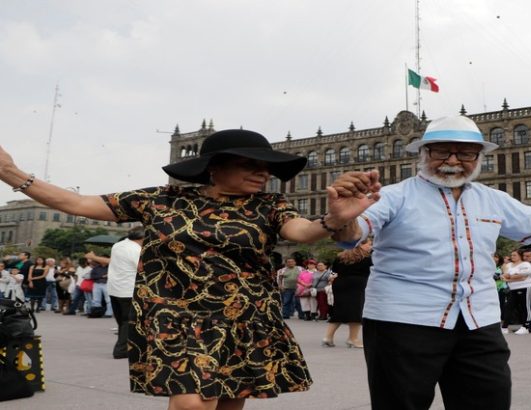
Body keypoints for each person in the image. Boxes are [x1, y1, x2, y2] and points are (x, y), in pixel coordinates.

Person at [0, 128, 376, 410]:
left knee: (230, 400)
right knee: (193, 403)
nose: (262, 173)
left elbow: (302, 231)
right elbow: (79, 202)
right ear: (214, 168)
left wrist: (331, 219)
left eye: (267, 167)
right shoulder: (161, 200)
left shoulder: (269, 206)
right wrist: (12, 172)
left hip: (242, 317)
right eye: (250, 165)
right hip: (174, 315)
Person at [329, 115, 531, 409]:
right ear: (423, 154)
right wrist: (341, 220)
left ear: (478, 159)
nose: (453, 160)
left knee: (489, 400)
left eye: (465, 153)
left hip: (477, 320)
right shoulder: (394, 196)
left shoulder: (491, 198)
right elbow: (352, 234)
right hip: (403, 321)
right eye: (442, 151)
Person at [89, 226, 144, 358]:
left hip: (114, 288)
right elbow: (141, 268)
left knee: (122, 322)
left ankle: (127, 347)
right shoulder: (135, 249)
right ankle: (121, 350)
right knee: (128, 322)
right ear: (142, 238)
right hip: (128, 290)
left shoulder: (118, 245)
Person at [321, 240, 372, 348]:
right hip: (357, 285)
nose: (370, 246)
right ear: (361, 245)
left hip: (340, 283)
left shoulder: (340, 257)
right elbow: (371, 271)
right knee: (356, 311)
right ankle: (353, 339)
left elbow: (334, 270)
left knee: (339, 310)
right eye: (369, 244)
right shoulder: (367, 258)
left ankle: (328, 337)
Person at [502, 249, 531, 335]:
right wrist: (513, 276)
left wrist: (509, 278)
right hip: (513, 289)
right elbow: (504, 275)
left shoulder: (525, 264)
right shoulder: (508, 265)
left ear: (520, 256)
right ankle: (504, 327)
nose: (512, 257)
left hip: (525, 287)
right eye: (511, 255)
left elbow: (523, 277)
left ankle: (526, 327)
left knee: (525, 307)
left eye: (514, 255)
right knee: (509, 307)